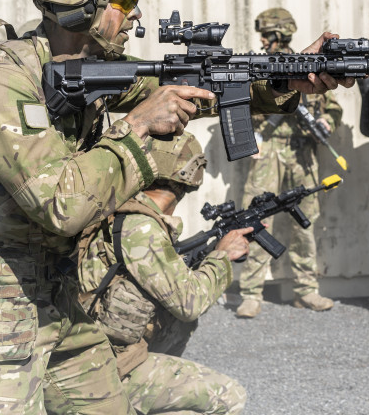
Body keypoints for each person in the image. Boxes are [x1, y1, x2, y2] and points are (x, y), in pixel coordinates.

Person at [0, 0, 349, 414]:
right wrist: (136, 128)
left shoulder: (87, 69)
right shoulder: (0, 83)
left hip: (60, 295)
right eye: (124, 1)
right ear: (79, 1)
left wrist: (286, 78)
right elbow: (60, 205)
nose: (135, 16)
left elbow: (197, 92)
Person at [77, 132, 248, 415]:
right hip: (104, 369)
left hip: (100, 356)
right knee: (228, 396)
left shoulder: (121, 212)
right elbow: (190, 303)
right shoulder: (140, 227)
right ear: (190, 176)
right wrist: (222, 257)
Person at [236, 8, 343, 318]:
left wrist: (325, 121)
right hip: (268, 151)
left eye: (266, 35)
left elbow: (332, 107)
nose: (262, 41)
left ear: (278, 35)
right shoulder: (261, 65)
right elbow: (242, 101)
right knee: (256, 219)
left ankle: (306, 291)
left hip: (301, 152)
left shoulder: (306, 66)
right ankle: (251, 293)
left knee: (305, 223)